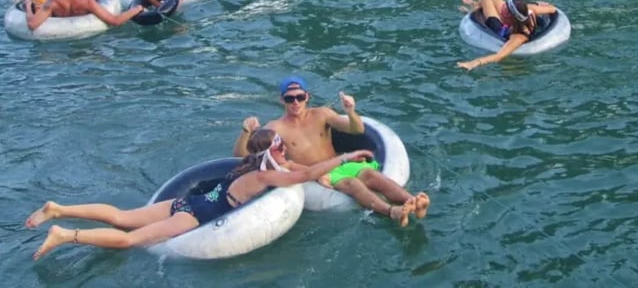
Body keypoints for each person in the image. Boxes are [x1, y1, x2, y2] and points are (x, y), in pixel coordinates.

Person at [25, 130, 382, 260]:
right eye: (282, 150)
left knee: (121, 215)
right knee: (129, 240)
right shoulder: (263, 178)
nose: (286, 154)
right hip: (193, 216)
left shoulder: (246, 165)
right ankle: (65, 234)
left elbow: (286, 166)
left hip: (188, 203)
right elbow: (305, 174)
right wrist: (348, 156)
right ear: (272, 153)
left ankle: (59, 208)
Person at [233, 76, 430, 224]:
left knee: (371, 174)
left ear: (307, 97)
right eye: (290, 98)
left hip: (341, 163)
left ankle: (412, 201)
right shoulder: (275, 128)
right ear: (282, 100)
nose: (295, 102)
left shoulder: (322, 114)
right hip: (317, 173)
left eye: (300, 97)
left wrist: (350, 111)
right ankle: (391, 212)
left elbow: (356, 129)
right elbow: (243, 157)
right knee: (352, 184)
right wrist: (245, 132)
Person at [457, 0, 558, 70]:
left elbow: (498, 56)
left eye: (505, 10)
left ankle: (473, 9)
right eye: (505, 6)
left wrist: (473, 63)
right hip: (511, 22)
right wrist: (538, 4)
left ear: (511, 18)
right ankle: (474, 4)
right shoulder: (529, 10)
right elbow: (552, 9)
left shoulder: (519, 36)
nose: (502, 9)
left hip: (501, 29)